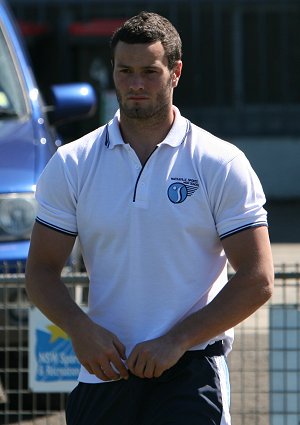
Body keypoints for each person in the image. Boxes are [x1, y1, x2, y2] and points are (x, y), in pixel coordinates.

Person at [25, 11, 274, 425]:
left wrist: (176, 341)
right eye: (125, 71)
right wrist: (80, 330)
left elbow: (258, 278)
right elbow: (41, 271)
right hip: (105, 368)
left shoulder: (219, 162)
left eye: (149, 71)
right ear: (113, 72)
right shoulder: (72, 162)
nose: (136, 84)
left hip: (191, 371)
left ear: (176, 72)